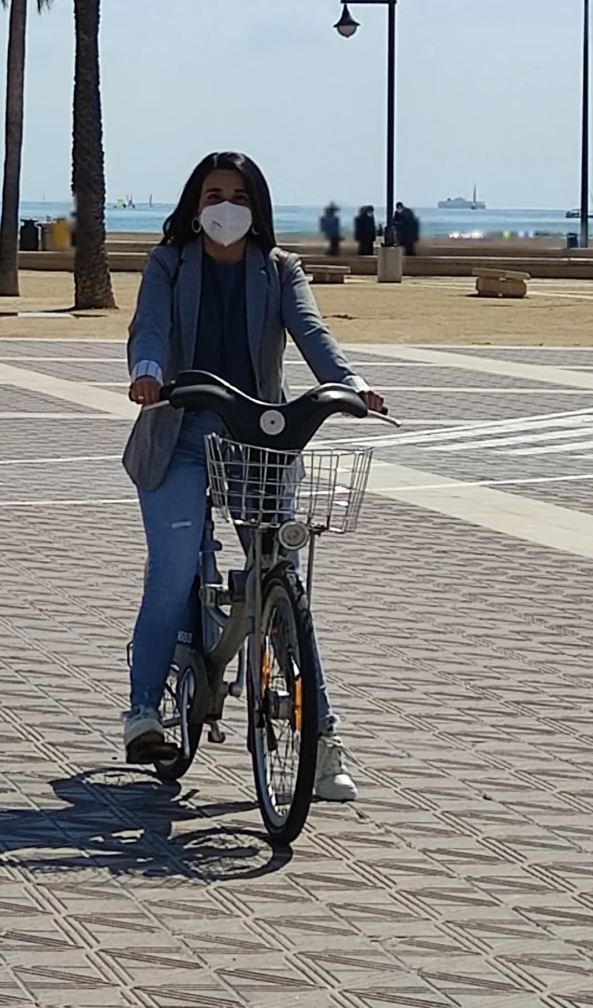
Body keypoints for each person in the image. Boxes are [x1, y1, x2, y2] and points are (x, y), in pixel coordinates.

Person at [121, 150, 386, 801]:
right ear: (195, 204)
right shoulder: (170, 262)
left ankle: (320, 743)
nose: (224, 207)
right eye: (212, 194)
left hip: (258, 441)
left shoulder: (279, 270)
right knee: (176, 569)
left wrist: (348, 384)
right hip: (178, 434)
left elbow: (312, 331)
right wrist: (148, 372)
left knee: (282, 583)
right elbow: (148, 327)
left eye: (237, 194)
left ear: (257, 206)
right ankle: (143, 713)